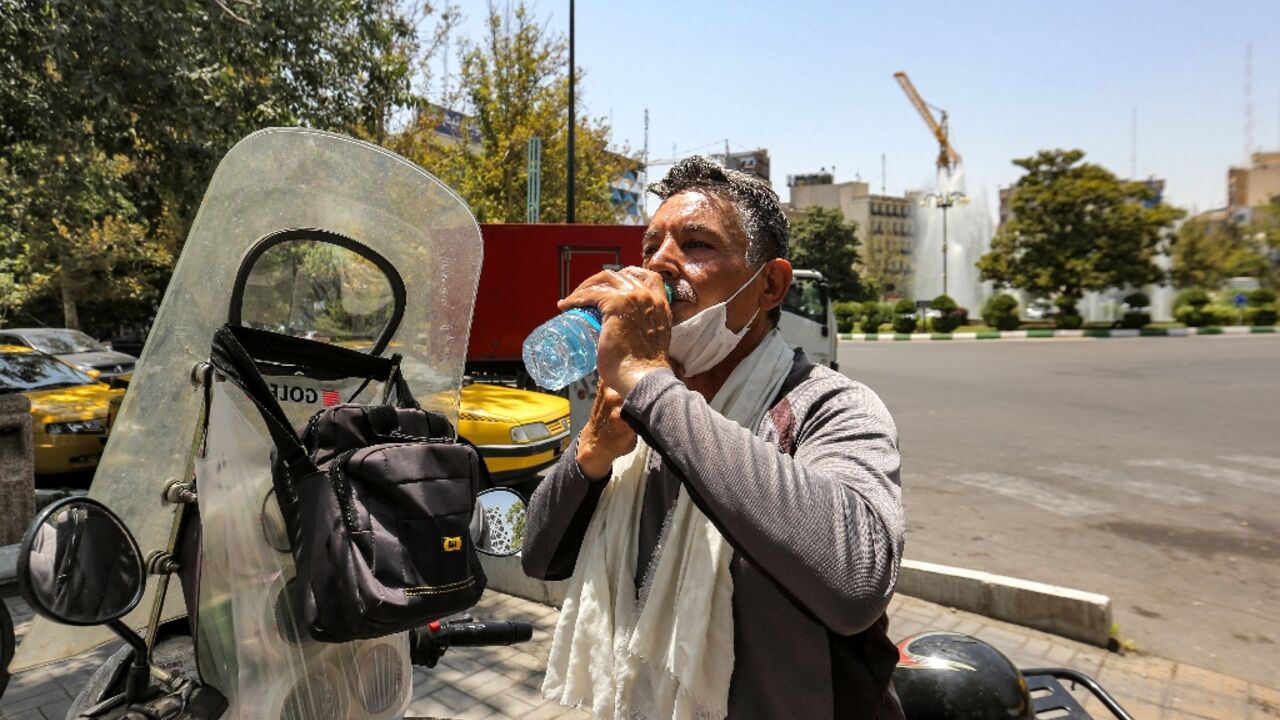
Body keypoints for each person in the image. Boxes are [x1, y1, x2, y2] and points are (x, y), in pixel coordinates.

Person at [523, 156, 905, 720]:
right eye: (652, 246)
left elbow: (856, 581)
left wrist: (651, 384)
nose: (659, 265)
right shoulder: (641, 410)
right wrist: (591, 453)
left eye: (696, 245)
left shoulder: (830, 407)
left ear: (770, 285)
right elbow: (539, 556)